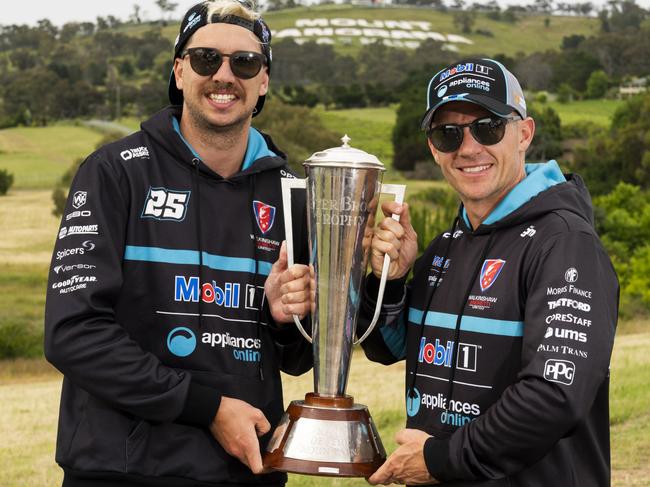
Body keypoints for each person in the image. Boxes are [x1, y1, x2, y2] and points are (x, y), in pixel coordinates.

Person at [280, 58, 619, 486]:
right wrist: (391, 280)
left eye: (488, 127)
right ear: (433, 148)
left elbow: (555, 395)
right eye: (448, 134)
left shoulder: (566, 243)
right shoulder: (446, 246)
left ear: (524, 134)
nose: (469, 147)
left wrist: (440, 460)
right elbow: (389, 345)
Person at [44, 2, 313, 486]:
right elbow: (73, 333)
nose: (224, 75)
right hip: (122, 470)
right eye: (207, 59)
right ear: (180, 70)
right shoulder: (114, 172)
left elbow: (299, 357)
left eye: (244, 63)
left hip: (246, 470)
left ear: (264, 81)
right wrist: (207, 408)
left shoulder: (292, 193)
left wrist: (286, 319)